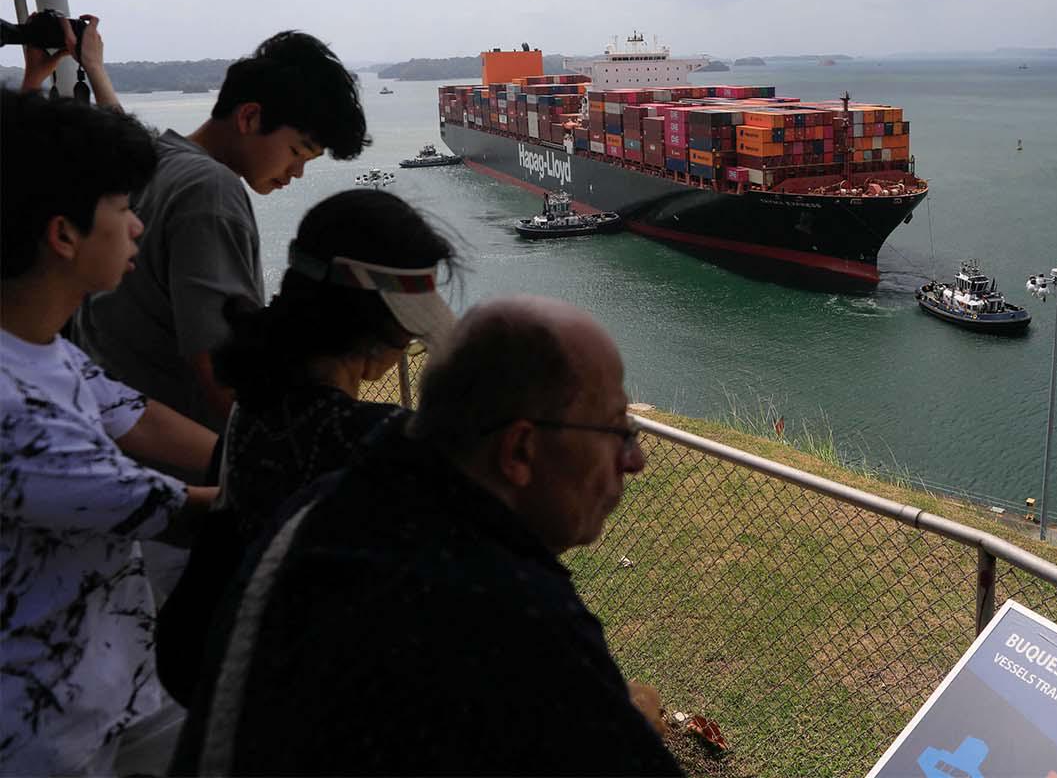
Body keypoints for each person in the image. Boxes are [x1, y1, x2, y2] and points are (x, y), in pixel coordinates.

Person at [173, 297, 682, 776]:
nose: (634, 460)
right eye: (616, 430)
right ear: (520, 450)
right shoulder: (510, 609)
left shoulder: (325, 509)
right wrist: (633, 719)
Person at [154, 189, 459, 703]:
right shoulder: (374, 440)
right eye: (408, 332)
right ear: (377, 327)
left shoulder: (254, 407)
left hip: (236, 687)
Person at [0, 90, 218, 776]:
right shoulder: (13, 411)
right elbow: (189, 509)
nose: (139, 229)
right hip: (39, 733)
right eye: (123, 209)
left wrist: (254, 451)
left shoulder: (40, 345)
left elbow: (137, 415)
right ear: (63, 235)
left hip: (114, 688)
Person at [77, 30, 370, 438]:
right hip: (190, 464)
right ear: (249, 117)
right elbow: (222, 372)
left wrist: (94, 68)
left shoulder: (154, 160)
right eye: (297, 152)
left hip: (115, 432)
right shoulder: (211, 190)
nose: (297, 173)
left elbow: (115, 120)